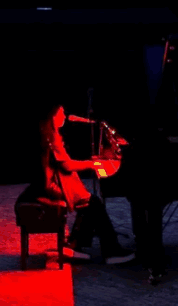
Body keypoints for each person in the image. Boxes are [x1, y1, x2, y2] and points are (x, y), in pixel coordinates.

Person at [37, 103, 135, 265]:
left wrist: (92, 163)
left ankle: (76, 245)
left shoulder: (48, 134)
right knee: (93, 202)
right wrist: (91, 164)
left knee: (90, 201)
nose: (65, 116)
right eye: (61, 113)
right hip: (52, 186)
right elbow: (67, 165)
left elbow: (64, 164)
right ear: (52, 117)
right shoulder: (52, 137)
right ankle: (112, 251)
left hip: (53, 181)